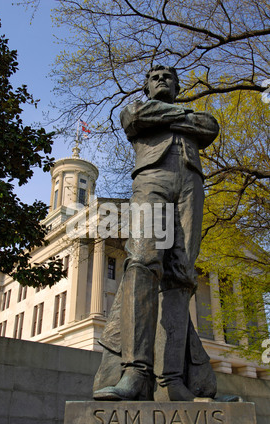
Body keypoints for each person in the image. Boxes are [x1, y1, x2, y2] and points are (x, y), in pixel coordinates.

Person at [93, 65, 219, 402]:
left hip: (190, 185)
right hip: (153, 182)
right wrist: (182, 116)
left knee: (181, 276)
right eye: (155, 77)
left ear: (177, 87)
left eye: (169, 77)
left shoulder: (185, 113)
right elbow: (133, 118)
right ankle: (135, 372)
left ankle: (172, 381)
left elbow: (209, 126)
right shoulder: (139, 108)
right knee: (144, 263)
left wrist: (169, 116)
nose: (162, 79)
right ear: (147, 88)